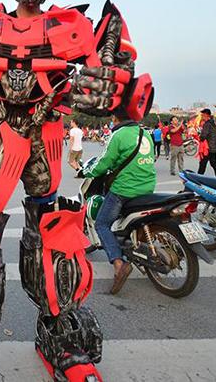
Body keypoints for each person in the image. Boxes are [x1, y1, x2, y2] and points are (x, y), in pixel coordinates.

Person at [82, 108, 156, 294]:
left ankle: (118, 263)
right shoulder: (144, 132)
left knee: (102, 224)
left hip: (124, 190)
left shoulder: (118, 135)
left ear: (115, 118)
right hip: (148, 186)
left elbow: (105, 162)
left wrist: (86, 171)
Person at [197, 108, 216, 176]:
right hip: (213, 148)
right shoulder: (213, 124)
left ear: (206, 115)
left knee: (202, 164)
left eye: (202, 115)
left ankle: (199, 178)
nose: (201, 117)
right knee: (214, 163)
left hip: (207, 148)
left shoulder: (207, 124)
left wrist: (200, 137)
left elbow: (203, 136)